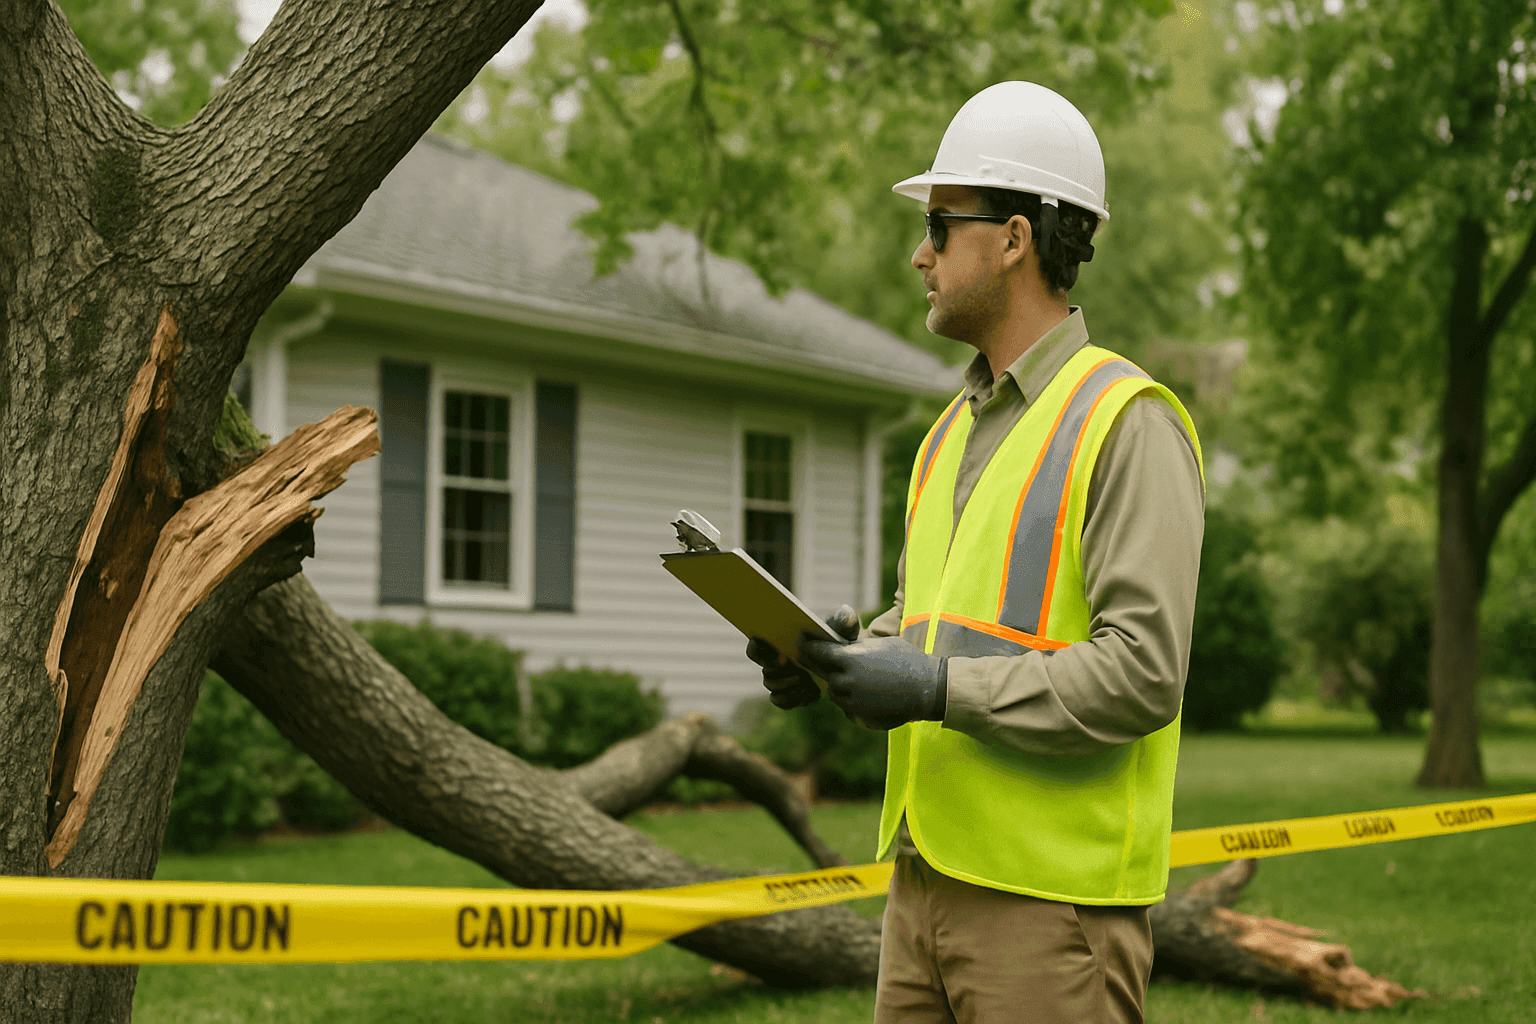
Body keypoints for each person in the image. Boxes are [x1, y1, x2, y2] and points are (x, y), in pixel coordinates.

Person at [746, 81, 1205, 1023]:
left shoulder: (1130, 423)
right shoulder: (950, 432)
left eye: (939, 225)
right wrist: (833, 652)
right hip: (922, 885)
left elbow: (1145, 673)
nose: (920, 253)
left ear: (1014, 238)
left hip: (1052, 915)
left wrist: (931, 690)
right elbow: (938, 624)